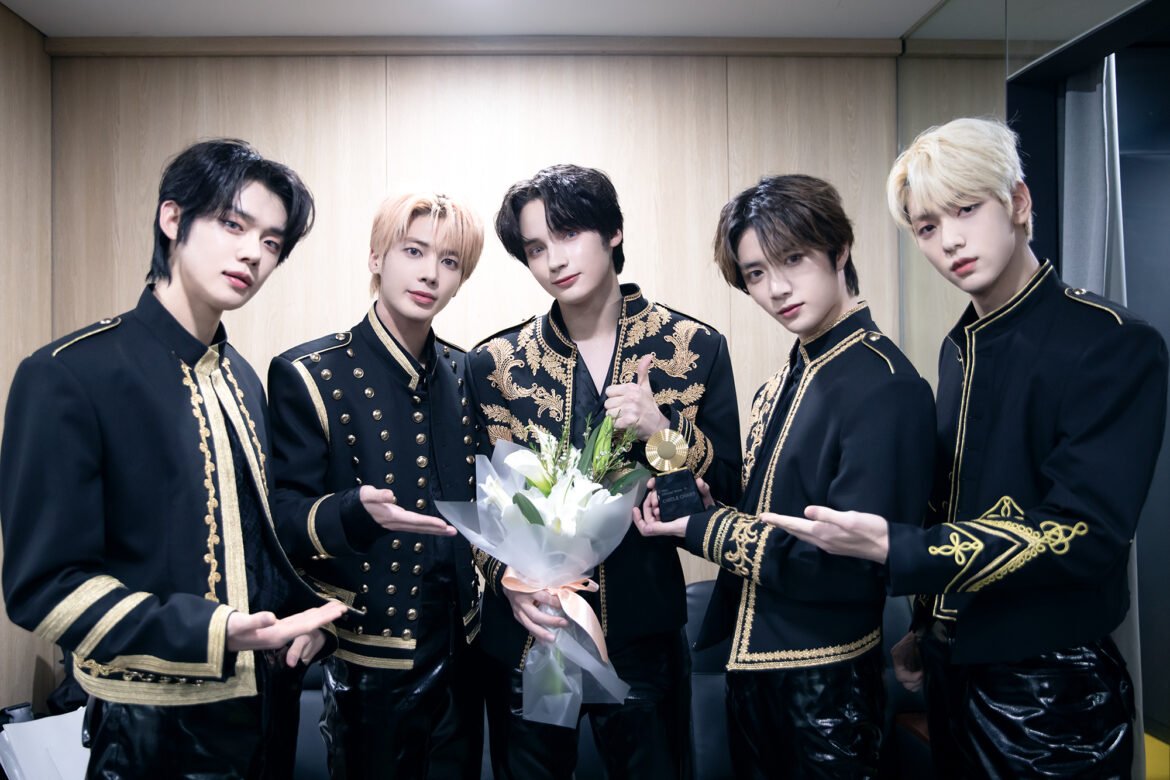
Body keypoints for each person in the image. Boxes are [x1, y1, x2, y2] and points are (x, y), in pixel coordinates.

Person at [768, 117, 1169, 778]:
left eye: (965, 209)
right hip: (954, 673)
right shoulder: (959, 347)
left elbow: (1083, 532)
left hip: (1054, 693)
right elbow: (960, 500)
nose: (949, 240)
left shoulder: (1112, 341)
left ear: (1018, 202)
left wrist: (897, 548)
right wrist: (928, 628)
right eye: (927, 227)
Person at [0, 138, 346, 779]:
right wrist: (216, 631)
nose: (253, 253)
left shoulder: (243, 379)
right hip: (152, 730)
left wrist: (307, 621)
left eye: (272, 242)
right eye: (233, 224)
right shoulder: (69, 373)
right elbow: (43, 590)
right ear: (172, 218)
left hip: (267, 720)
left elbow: (255, 546)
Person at [634, 174, 935, 778]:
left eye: (792, 259)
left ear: (839, 250)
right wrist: (663, 439)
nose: (776, 289)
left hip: (826, 686)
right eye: (755, 273)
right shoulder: (781, 383)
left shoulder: (887, 385)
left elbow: (847, 566)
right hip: (751, 675)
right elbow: (753, 505)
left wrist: (703, 527)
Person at [468, 163, 742, 778]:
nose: (554, 260)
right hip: (529, 636)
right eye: (536, 248)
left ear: (613, 231)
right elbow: (478, 503)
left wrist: (662, 432)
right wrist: (508, 581)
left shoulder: (692, 346)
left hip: (644, 634)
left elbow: (728, 489)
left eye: (568, 234)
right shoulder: (497, 363)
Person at [267, 192, 485, 779]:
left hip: (464, 649)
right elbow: (279, 516)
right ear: (376, 258)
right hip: (369, 655)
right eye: (413, 251)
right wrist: (351, 512)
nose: (430, 273)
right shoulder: (309, 373)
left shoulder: (465, 372)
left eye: (449, 261)